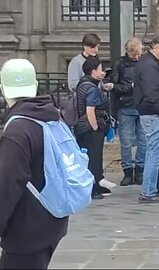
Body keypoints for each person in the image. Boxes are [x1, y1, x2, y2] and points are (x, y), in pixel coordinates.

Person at [0, 59, 68, 269]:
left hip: (26, 228)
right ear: (35, 86)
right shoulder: (49, 116)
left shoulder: (18, 130)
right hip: (51, 217)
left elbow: (7, 183)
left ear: (3, 89)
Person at [133, 35, 159, 203]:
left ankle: (151, 189)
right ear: (155, 47)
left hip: (149, 113)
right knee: (155, 154)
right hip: (153, 114)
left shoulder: (146, 63)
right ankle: (148, 191)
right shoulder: (149, 66)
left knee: (153, 152)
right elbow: (151, 93)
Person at [109, 37, 147, 186]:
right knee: (126, 142)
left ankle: (139, 170)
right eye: (134, 54)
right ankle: (127, 171)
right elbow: (114, 85)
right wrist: (130, 87)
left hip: (141, 106)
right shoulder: (120, 64)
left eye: (138, 54)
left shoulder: (144, 63)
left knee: (143, 141)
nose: (137, 57)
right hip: (126, 106)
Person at [74, 57, 113, 200]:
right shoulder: (91, 88)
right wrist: (96, 128)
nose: (102, 72)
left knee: (89, 157)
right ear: (93, 71)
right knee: (94, 158)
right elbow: (90, 110)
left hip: (82, 126)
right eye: (100, 69)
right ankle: (92, 187)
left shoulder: (83, 84)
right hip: (90, 127)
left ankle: (95, 184)